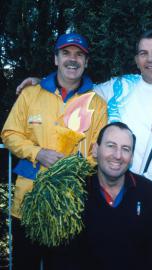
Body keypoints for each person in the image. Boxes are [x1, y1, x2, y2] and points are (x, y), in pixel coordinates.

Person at [16, 29, 152, 269]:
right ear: (136, 60)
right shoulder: (122, 86)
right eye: (143, 53)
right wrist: (43, 84)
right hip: (113, 197)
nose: (150, 59)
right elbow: (78, 91)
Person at [1, 33, 107, 269]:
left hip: (71, 207)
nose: (73, 59)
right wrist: (38, 153)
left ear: (86, 62)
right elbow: (9, 134)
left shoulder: (97, 103)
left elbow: (97, 153)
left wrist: (70, 169)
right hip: (27, 204)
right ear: (56, 59)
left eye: (79, 55)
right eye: (66, 53)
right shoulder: (31, 94)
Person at [60, 121, 152, 270]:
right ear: (95, 150)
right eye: (111, 146)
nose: (118, 155)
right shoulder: (73, 191)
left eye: (125, 149)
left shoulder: (150, 193)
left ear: (131, 157)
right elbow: (63, 254)